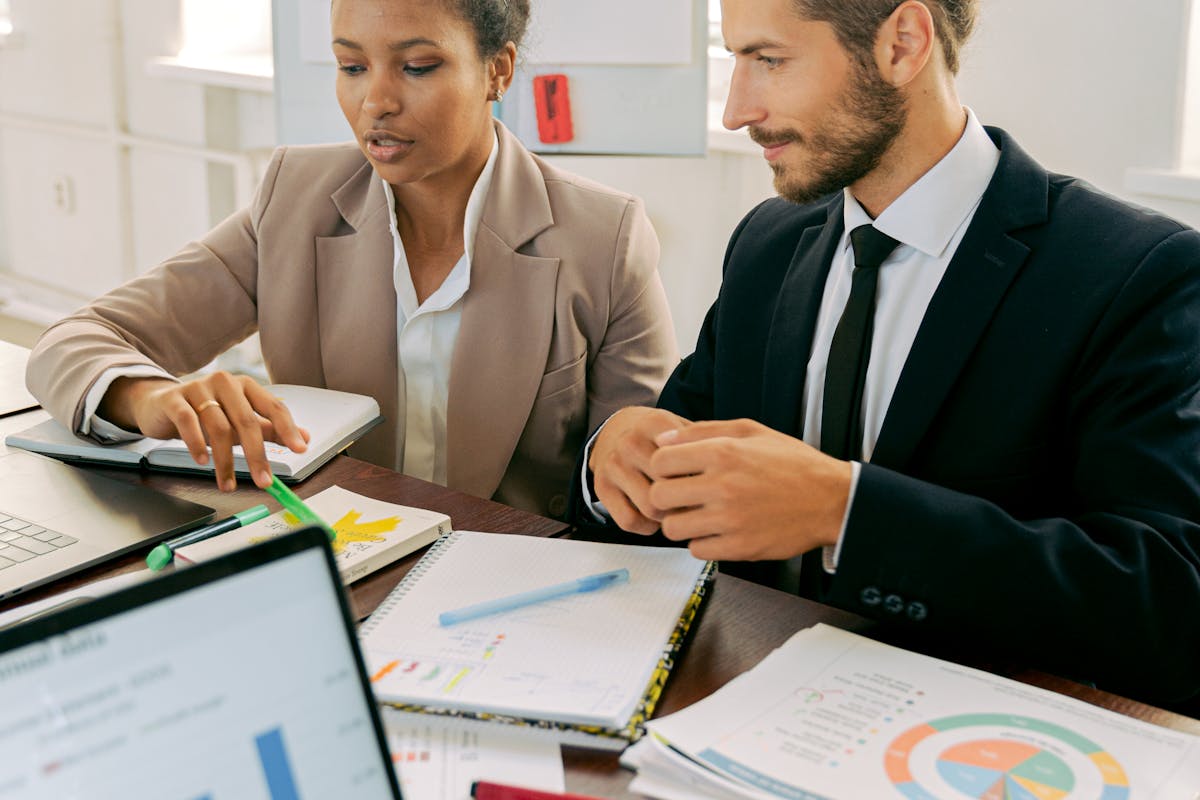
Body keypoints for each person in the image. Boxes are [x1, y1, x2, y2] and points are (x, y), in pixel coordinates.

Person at [581, 0, 1200, 707]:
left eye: (768, 60)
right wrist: (618, 452)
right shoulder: (767, 242)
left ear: (902, 44)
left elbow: (1169, 605)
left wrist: (847, 513)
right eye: (735, 61)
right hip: (733, 703)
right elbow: (678, 448)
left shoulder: (1137, 273)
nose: (734, 111)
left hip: (964, 741)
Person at [25, 0, 677, 519]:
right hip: (341, 564)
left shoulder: (604, 238)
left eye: (417, 67)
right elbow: (72, 342)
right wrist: (150, 399)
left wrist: (625, 472)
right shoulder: (294, 200)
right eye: (352, 66)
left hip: (518, 591)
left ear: (498, 71)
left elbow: (638, 463)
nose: (376, 102)